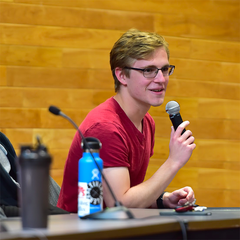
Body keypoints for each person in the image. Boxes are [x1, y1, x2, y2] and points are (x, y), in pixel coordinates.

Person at [57, 29, 196, 212]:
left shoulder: (146, 121)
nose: (161, 79)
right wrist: (173, 162)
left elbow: (130, 197)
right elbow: (120, 204)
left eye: (164, 69)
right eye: (149, 71)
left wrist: (163, 200)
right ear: (122, 75)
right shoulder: (106, 128)